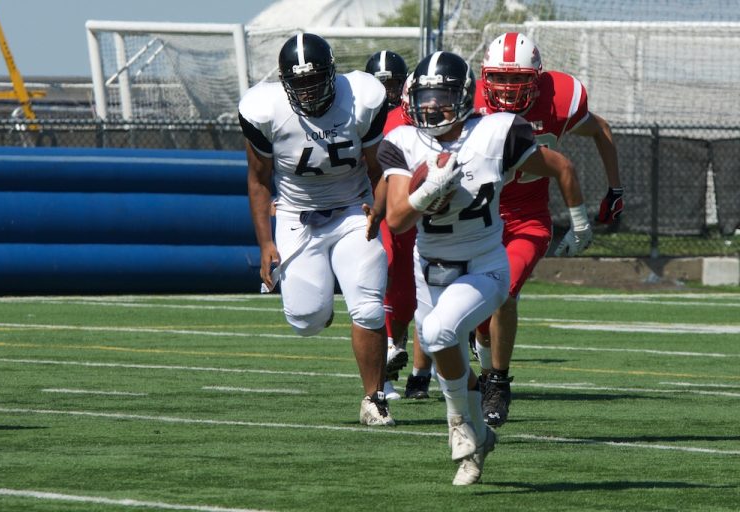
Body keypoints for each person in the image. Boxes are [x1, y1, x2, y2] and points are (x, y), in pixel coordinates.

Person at [379, 50, 592, 485]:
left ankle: (459, 428)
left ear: (463, 97)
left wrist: (580, 221)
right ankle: (479, 442)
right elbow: (398, 218)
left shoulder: (497, 133)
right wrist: (428, 192)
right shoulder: (402, 141)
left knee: (438, 333)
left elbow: (560, 165)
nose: (432, 105)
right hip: (429, 267)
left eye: (442, 96)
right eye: (424, 96)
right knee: (444, 359)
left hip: (483, 265)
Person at [238, 32, 395, 426]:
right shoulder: (263, 108)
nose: (307, 91)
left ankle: (374, 399)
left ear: (332, 73)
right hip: (295, 214)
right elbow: (258, 180)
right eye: (299, 82)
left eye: (314, 80)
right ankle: (319, 306)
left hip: (353, 211)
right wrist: (265, 244)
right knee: (306, 319)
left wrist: (379, 210)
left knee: (369, 305)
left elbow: (380, 168)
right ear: (284, 82)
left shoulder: (362, 98)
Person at [471, 32, 624, 427]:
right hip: (476, 218)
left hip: (527, 219)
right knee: (477, 317)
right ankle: (484, 367)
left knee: (503, 289)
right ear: (484, 77)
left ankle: (498, 384)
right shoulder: (465, 103)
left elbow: (601, 129)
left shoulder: (560, 98)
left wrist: (614, 188)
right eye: (499, 79)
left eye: (518, 78)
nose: (507, 88)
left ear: (537, 78)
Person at [365, 51, 414, 400]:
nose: (387, 92)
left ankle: (396, 348)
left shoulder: (410, 116)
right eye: (380, 85)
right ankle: (382, 376)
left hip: (408, 206)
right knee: (383, 275)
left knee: (407, 295)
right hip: (369, 206)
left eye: (392, 84)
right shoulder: (358, 115)